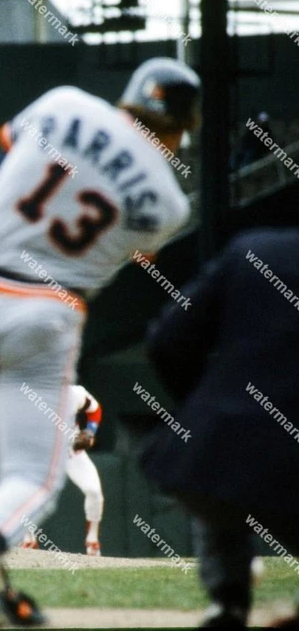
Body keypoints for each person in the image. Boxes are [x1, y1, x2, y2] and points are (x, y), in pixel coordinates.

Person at [0, 58, 200, 627]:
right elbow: (125, 250)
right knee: (34, 477)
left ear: (129, 98)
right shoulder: (169, 204)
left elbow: (13, 159)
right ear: (181, 126)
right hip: (44, 312)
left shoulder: (63, 103)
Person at [141, 228, 299, 627]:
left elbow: (166, 341)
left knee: (226, 477)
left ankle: (227, 603)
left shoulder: (251, 248)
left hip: (206, 458)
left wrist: (203, 411)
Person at [20, 385, 104, 556]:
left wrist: (90, 431)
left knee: (94, 491)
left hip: (70, 451)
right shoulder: (28, 397)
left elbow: (94, 410)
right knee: (24, 491)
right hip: (41, 454)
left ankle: (92, 540)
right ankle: (28, 538)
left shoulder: (74, 393)